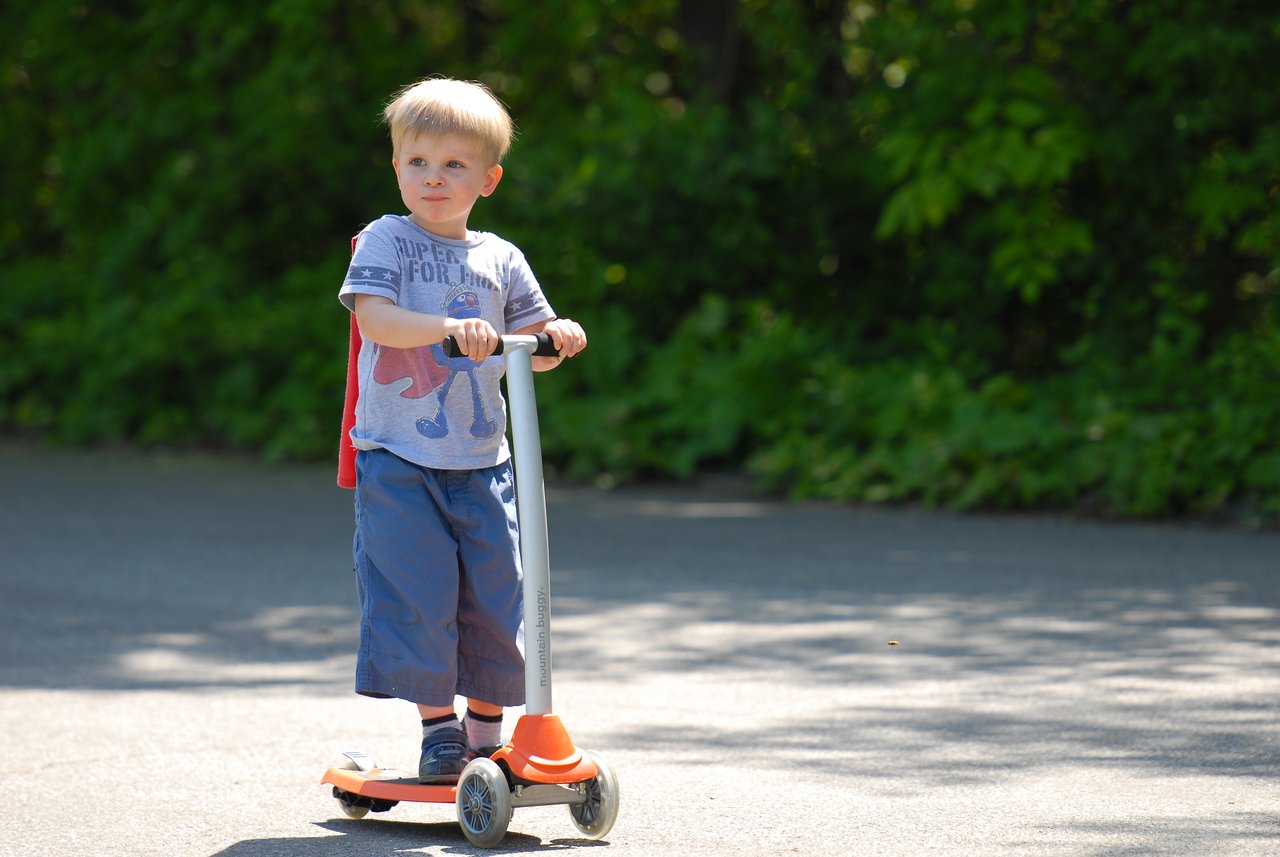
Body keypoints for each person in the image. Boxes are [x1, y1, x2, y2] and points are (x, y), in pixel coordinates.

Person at [338, 77, 587, 783]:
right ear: (396, 168)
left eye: (453, 165)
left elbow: (530, 343)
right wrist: (450, 327)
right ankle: (438, 730)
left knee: (498, 592)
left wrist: (555, 335)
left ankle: (485, 732)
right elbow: (375, 320)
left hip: (482, 459)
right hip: (399, 455)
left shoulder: (500, 258)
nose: (434, 178)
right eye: (418, 162)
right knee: (417, 591)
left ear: (489, 177)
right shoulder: (387, 239)